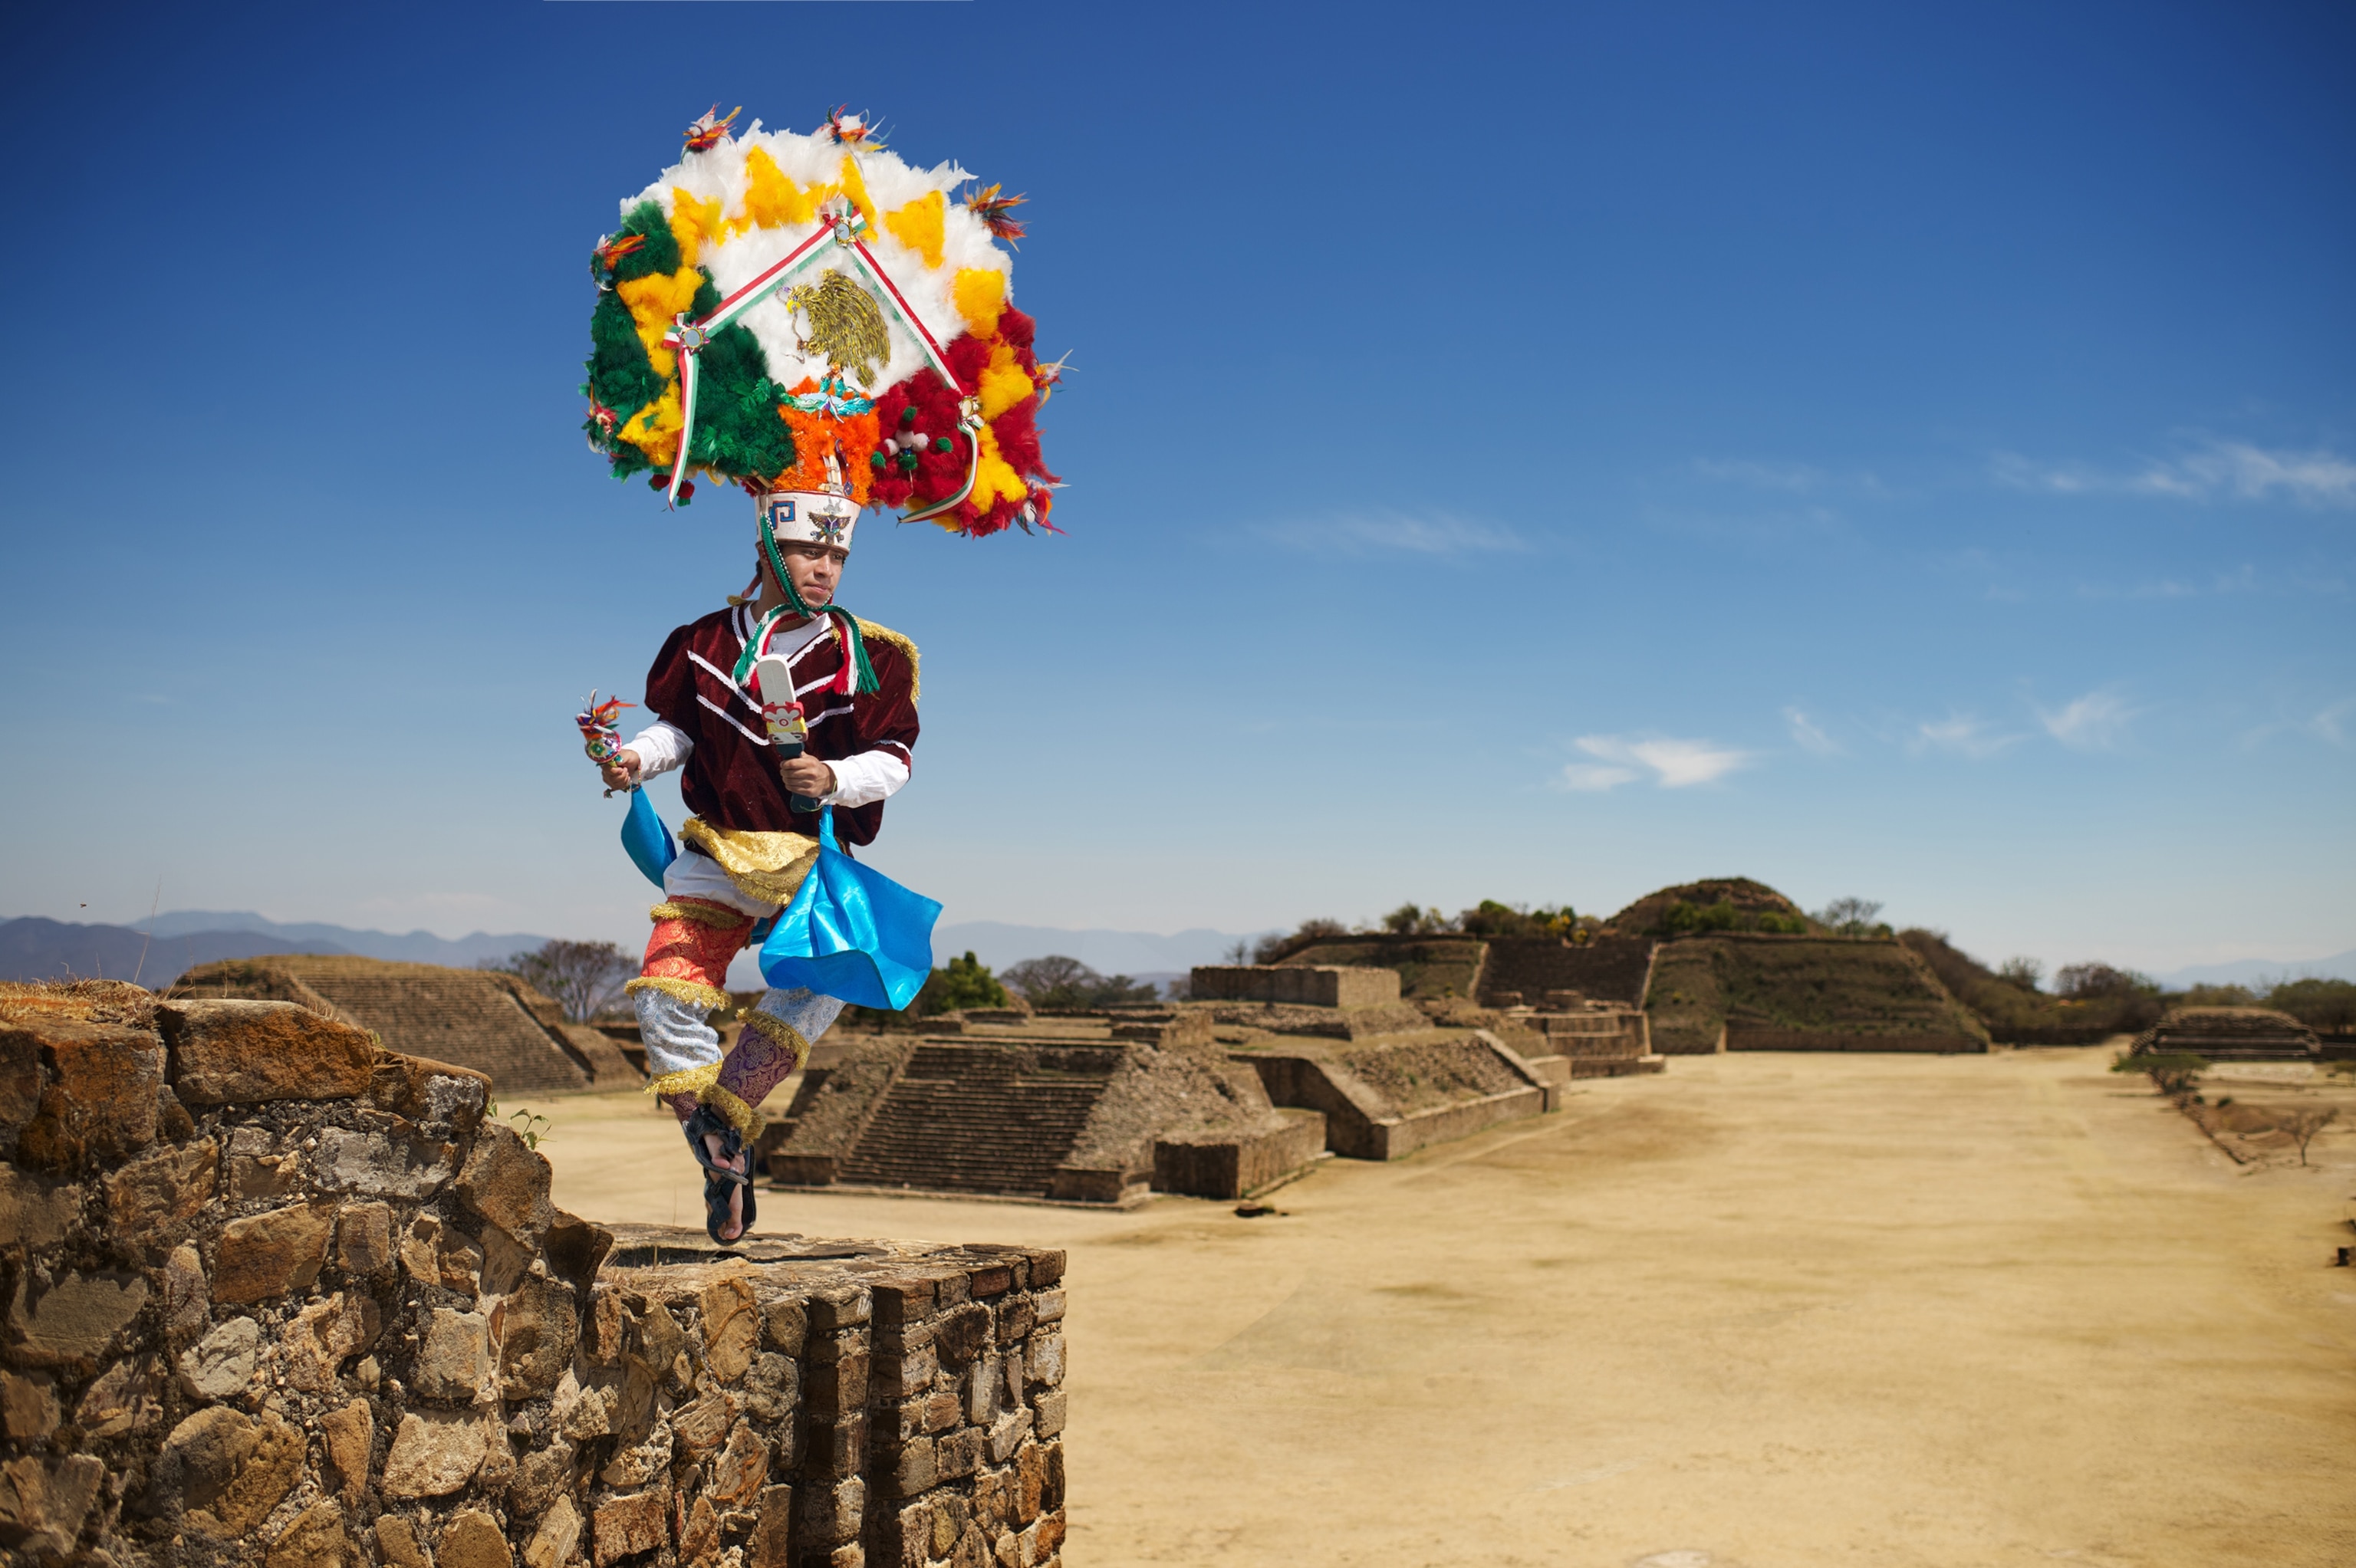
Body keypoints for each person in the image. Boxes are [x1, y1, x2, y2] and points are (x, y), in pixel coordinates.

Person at [600, 477, 919, 1243]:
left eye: (836, 552)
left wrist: (834, 777)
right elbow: (678, 730)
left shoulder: (868, 653)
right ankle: (719, 1153)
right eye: (811, 547)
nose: (826, 567)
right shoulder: (707, 642)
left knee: (835, 970)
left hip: (808, 858)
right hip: (714, 850)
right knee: (662, 997)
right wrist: (633, 760)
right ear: (769, 546)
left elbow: (897, 758)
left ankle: (726, 1114)